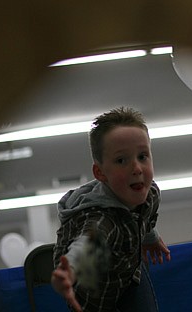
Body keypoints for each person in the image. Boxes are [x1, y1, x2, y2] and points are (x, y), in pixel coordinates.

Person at [51, 107, 171, 312]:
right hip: (92, 294)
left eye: (143, 156)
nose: (136, 168)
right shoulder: (102, 220)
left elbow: (145, 216)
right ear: (100, 172)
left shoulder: (151, 195)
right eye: (121, 160)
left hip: (127, 272)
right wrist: (69, 272)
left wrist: (151, 237)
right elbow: (87, 243)